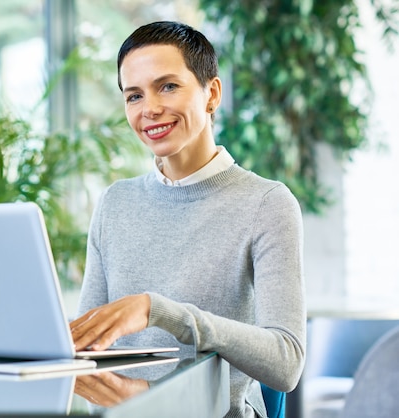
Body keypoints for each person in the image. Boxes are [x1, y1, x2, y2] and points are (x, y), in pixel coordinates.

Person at [69, 21, 306, 417]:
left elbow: (286, 362)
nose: (150, 109)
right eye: (134, 96)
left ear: (211, 93)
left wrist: (157, 310)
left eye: (168, 86)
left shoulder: (266, 203)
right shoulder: (116, 202)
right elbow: (88, 339)